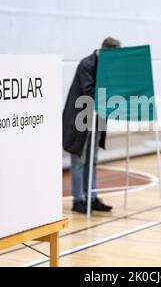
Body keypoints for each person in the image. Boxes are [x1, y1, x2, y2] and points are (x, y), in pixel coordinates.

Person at [63, 37, 121, 214]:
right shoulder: (86, 64)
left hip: (97, 116)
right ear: (104, 51)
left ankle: (91, 196)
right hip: (80, 117)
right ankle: (78, 199)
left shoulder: (107, 65)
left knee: (93, 159)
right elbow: (89, 92)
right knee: (79, 159)